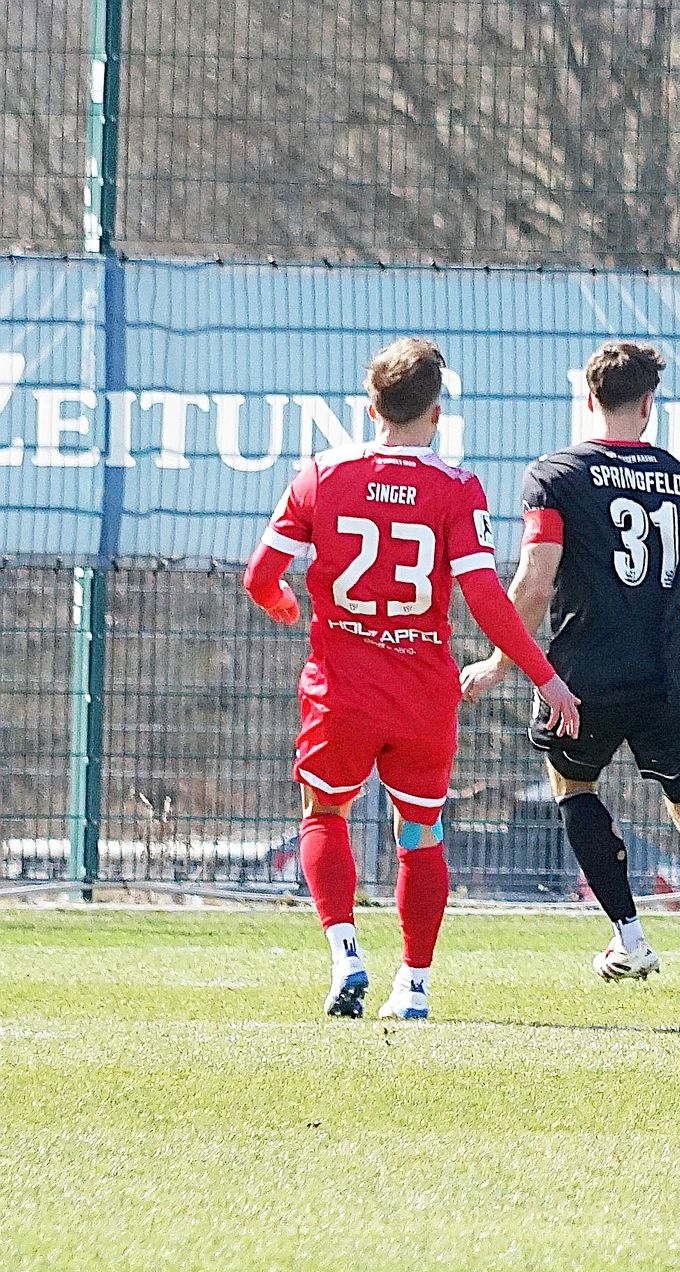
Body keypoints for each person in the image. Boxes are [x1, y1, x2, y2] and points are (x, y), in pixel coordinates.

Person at [459, 340, 680, 998]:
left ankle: (629, 938)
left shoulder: (556, 475)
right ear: (650, 405)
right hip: (667, 679)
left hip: (584, 679)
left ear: (588, 398)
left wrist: (498, 663)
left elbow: (534, 584)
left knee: (575, 789)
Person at [243, 338, 580, 1020]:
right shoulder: (457, 488)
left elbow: (260, 577)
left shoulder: (321, 475)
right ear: (436, 413)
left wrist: (278, 602)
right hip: (423, 690)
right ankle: (414, 986)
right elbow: (485, 598)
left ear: (371, 409)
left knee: (325, 813)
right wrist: (544, 677)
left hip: (341, 686)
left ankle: (345, 955)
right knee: (421, 833)